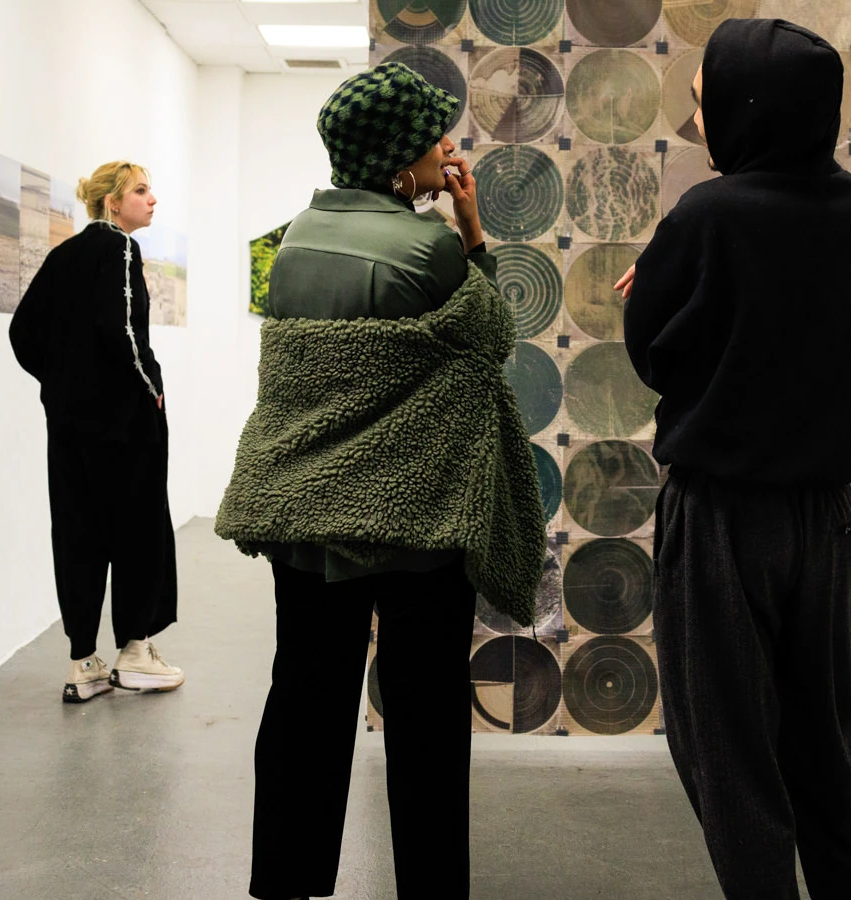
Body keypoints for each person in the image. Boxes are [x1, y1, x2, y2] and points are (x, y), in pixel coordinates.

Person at [215, 62, 548, 900]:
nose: (448, 145)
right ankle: (432, 887)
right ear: (400, 159)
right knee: (427, 712)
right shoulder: (427, 247)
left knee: (304, 697)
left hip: (307, 516)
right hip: (414, 522)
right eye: (434, 134)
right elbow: (493, 338)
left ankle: (286, 882)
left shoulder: (288, 239)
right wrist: (472, 230)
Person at [618, 18, 851, 900]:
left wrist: (668, 269)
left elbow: (654, 353)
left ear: (747, 108)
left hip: (721, 518)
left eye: (704, 104)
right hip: (824, 514)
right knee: (823, 739)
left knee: (727, 750)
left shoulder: (708, 213)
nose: (698, 123)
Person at [7, 161, 184, 704]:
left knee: (78, 534)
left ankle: (82, 661)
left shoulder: (63, 255)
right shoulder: (120, 249)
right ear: (112, 203)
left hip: (69, 428)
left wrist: (61, 386)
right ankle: (135, 652)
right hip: (125, 426)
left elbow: (22, 332)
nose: (152, 200)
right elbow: (124, 330)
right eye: (140, 191)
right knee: (139, 531)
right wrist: (149, 386)